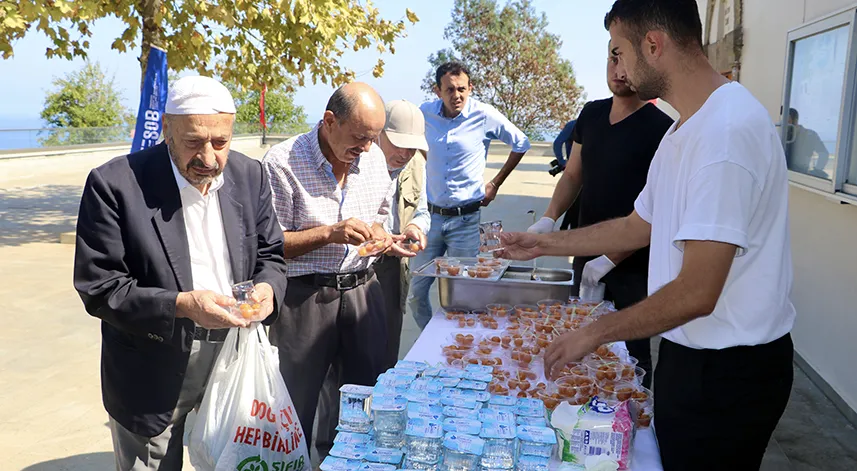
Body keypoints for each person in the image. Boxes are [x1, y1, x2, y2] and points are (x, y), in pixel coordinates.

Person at [498, 1, 796, 469]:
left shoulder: (726, 134)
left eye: (620, 50)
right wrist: (544, 242)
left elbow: (698, 291)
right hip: (688, 355)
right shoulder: (686, 129)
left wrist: (595, 333)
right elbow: (637, 226)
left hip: (729, 371)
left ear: (653, 45)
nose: (618, 64)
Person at [73, 75, 288, 470]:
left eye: (221, 143)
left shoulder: (249, 175)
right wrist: (182, 305)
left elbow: (272, 254)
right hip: (153, 359)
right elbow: (100, 287)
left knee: (236, 459)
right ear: (167, 131)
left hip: (234, 353)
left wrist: (268, 289)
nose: (208, 158)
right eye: (193, 142)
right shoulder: (114, 184)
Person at [527, 41, 674, 389]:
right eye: (612, 56)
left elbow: (655, 214)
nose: (618, 69)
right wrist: (549, 217)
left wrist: (611, 257)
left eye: (626, 60)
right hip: (585, 254)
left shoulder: (662, 128)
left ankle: (632, 414)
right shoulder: (591, 114)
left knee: (628, 355)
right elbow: (573, 174)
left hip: (633, 265)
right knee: (582, 342)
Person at [262, 82, 395, 459]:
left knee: (362, 402)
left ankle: (345, 462)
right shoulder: (282, 162)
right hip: (304, 300)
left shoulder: (372, 157)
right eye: (358, 138)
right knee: (294, 405)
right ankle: (297, 463)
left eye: (373, 138)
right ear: (329, 121)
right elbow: (270, 245)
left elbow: (383, 215)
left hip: (363, 293)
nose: (366, 149)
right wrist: (329, 235)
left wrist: (382, 236)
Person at [408, 61, 532, 329]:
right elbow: (408, 143)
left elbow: (521, 142)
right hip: (431, 220)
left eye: (462, 89)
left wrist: (496, 183)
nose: (457, 96)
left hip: (466, 221)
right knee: (416, 293)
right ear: (437, 91)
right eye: (450, 90)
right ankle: (431, 337)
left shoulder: (483, 114)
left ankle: (458, 343)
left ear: (470, 88)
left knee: (465, 295)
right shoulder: (424, 114)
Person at [374, 99, 431, 368]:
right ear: (379, 134)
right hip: (357, 266)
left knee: (386, 351)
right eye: (398, 144)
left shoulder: (417, 163)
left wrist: (415, 227)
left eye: (412, 147)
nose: (405, 154)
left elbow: (422, 210)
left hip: (394, 268)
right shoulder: (356, 158)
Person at [784, 107, 831, 178]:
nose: (786, 125)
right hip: (785, 174)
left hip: (802, 175)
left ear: (795, 121)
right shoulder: (782, 135)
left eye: (788, 121)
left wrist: (817, 171)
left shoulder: (810, 135)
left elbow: (824, 153)